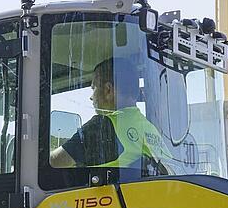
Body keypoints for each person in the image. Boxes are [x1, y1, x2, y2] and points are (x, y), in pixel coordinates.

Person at [47, 58, 175, 172]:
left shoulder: (102, 127)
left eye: (94, 88)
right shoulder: (150, 130)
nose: (91, 97)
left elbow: (53, 162)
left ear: (108, 90)